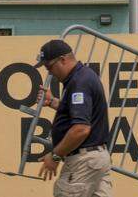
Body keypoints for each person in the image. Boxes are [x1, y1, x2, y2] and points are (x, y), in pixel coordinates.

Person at [34, 39, 113, 197]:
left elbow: (81, 129)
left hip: (84, 160)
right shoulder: (83, 76)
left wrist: (55, 156)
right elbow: (82, 112)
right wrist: (54, 102)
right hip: (96, 159)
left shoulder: (79, 82)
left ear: (63, 60)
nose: (49, 72)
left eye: (49, 66)